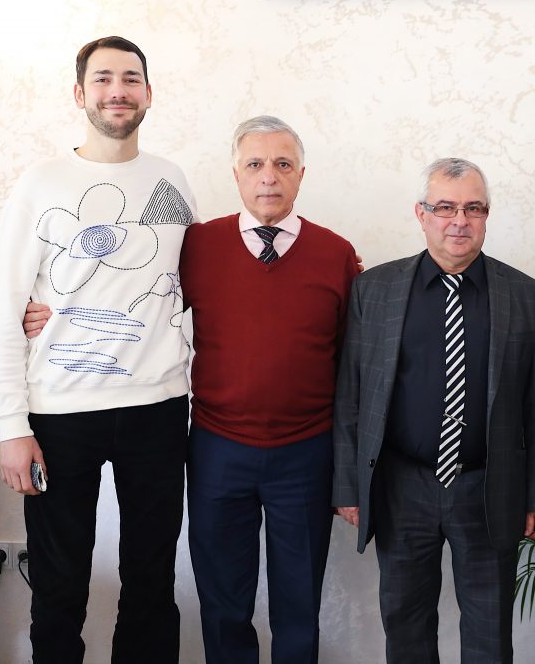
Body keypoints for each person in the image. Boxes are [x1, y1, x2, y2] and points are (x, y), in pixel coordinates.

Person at [0, 36, 196, 663]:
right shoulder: (41, 183)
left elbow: (193, 282)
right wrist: (11, 426)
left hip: (158, 408)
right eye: (103, 79)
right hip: (60, 413)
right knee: (58, 588)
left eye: (130, 79)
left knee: (152, 583)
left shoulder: (171, 179)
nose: (117, 91)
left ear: (148, 93)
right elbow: (5, 305)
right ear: (80, 93)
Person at [332, 157, 535, 664]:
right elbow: (351, 395)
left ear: (486, 216)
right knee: (405, 623)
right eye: (445, 208)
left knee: (489, 629)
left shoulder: (523, 295)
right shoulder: (375, 290)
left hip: (488, 487)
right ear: (421, 214)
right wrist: (349, 486)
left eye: (473, 208)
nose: (459, 221)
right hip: (401, 487)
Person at [178, 115, 358, 664]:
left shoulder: (336, 254)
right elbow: (136, 304)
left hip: (306, 452)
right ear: (236, 174)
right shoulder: (196, 246)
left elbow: (354, 362)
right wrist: (47, 311)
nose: (268, 176)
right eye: (255, 164)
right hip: (217, 448)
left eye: (282, 164)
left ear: (301, 174)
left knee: (298, 602)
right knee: (223, 601)